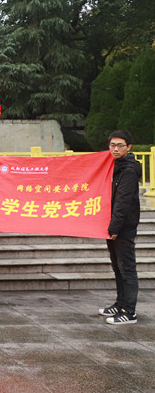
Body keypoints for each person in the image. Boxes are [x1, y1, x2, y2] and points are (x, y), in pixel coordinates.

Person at [101, 130, 143, 325]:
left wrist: (115, 227)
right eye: (112, 145)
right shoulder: (113, 165)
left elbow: (123, 202)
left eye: (120, 145)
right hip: (112, 224)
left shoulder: (129, 170)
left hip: (123, 227)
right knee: (117, 266)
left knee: (127, 268)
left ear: (128, 147)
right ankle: (120, 304)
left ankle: (130, 312)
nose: (115, 149)